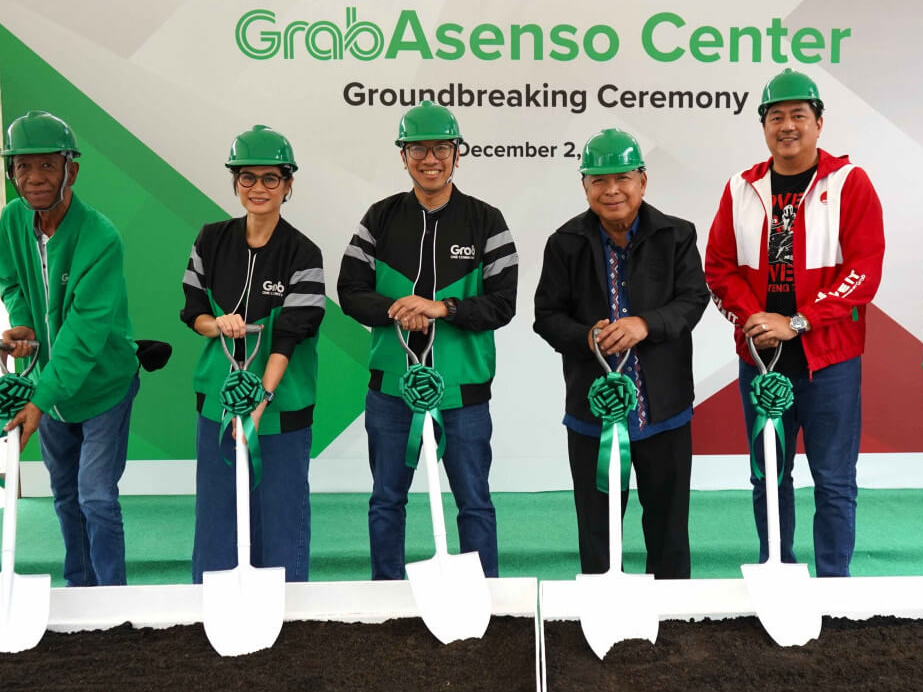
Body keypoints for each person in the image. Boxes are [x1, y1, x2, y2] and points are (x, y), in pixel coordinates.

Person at [704, 68, 884, 578]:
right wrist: (754, 319)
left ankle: (833, 584)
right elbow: (718, 268)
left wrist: (799, 321)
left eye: (798, 116)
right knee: (768, 476)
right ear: (764, 127)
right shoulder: (741, 188)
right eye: (776, 116)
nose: (788, 126)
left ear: (819, 123)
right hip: (762, 361)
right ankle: (777, 571)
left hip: (830, 361)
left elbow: (863, 271)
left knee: (833, 479)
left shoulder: (849, 183)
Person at [338, 100, 517, 581]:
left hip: (463, 392)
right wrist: (398, 308)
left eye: (441, 147)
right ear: (403, 155)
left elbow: (503, 304)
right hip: (391, 390)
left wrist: (443, 308)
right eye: (418, 147)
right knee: (386, 501)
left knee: (474, 502)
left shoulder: (487, 221)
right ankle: (387, 597)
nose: (430, 158)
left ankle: (486, 597)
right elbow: (350, 292)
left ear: (458, 154)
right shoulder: (379, 218)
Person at [533, 128, 709, 579]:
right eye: (598, 180)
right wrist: (586, 337)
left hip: (663, 412)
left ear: (643, 181)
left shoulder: (677, 235)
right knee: (597, 529)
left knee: (669, 528)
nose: (612, 190)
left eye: (623, 178)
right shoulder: (564, 243)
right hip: (593, 414)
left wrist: (644, 324)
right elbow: (546, 315)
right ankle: (601, 615)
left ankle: (674, 617)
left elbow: (692, 300)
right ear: (585, 186)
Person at [0, 110, 140, 587]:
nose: (34, 178)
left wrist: (38, 400)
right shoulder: (10, 221)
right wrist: (23, 325)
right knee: (64, 494)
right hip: (50, 387)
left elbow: (83, 336)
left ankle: (112, 597)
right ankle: (81, 589)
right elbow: (12, 280)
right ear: (11, 172)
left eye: (46, 166)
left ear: (70, 171)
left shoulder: (100, 238)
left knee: (95, 495)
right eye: (22, 167)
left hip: (103, 385)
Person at [180, 125, 324, 583]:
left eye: (270, 179)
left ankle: (290, 609)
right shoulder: (209, 239)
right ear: (235, 182)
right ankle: (214, 602)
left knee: (280, 512)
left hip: (280, 408)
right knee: (218, 512)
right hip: (217, 403)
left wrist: (260, 402)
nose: (258, 188)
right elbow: (194, 314)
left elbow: (290, 336)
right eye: (247, 178)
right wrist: (216, 323)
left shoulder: (304, 253)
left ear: (288, 184)